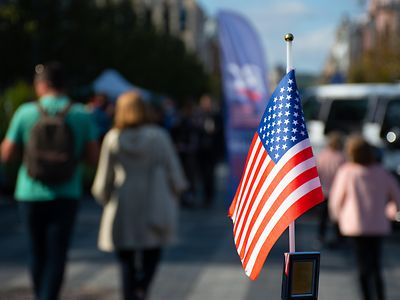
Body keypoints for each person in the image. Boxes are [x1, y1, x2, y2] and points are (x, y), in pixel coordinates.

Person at [0, 62, 99, 300]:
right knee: (57, 254)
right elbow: (93, 157)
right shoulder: (80, 114)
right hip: (67, 191)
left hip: (30, 191)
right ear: (65, 86)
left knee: (36, 252)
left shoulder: (26, 112)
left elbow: (6, 154)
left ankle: (40, 295)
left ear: (41, 85)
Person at [91, 91, 187, 300]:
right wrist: (177, 190)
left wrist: (104, 197)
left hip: (123, 202)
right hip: (154, 199)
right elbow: (174, 170)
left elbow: (103, 177)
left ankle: (130, 292)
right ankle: (142, 287)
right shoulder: (158, 136)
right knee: (152, 252)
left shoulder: (113, 138)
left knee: (126, 261)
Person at [329, 135, 400, 300]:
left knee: (362, 266)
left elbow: (336, 200)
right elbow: (396, 197)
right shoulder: (382, 172)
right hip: (378, 225)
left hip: (356, 226)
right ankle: (380, 295)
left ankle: (366, 296)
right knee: (376, 265)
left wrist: (337, 218)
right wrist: (391, 212)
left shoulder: (347, 172)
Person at [315, 131, 346, 247]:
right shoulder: (342, 158)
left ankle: (320, 236)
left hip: (323, 191)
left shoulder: (321, 156)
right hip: (337, 193)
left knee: (322, 217)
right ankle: (339, 238)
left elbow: (316, 173)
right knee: (337, 218)